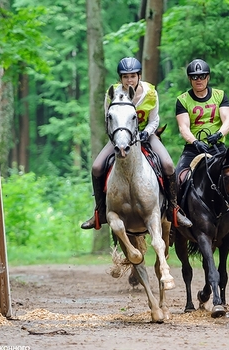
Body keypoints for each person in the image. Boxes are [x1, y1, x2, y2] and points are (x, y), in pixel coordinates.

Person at [81, 57, 192, 230]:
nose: (129, 80)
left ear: (139, 76)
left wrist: (146, 132)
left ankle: (173, 209)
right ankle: (100, 211)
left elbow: (155, 120)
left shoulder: (150, 93)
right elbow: (108, 120)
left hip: (146, 135)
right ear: (120, 78)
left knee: (169, 165)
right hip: (121, 139)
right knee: (96, 167)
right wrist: (118, 137)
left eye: (132, 76)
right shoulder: (112, 95)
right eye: (125, 77)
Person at [175, 58, 229, 243]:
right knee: (177, 176)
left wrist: (218, 134)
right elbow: (183, 127)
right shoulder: (183, 100)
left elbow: (228, 120)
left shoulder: (219, 95)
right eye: (194, 77)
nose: (199, 80)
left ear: (208, 77)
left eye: (202, 76)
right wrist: (195, 141)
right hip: (193, 149)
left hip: (218, 148)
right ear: (190, 79)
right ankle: (175, 219)